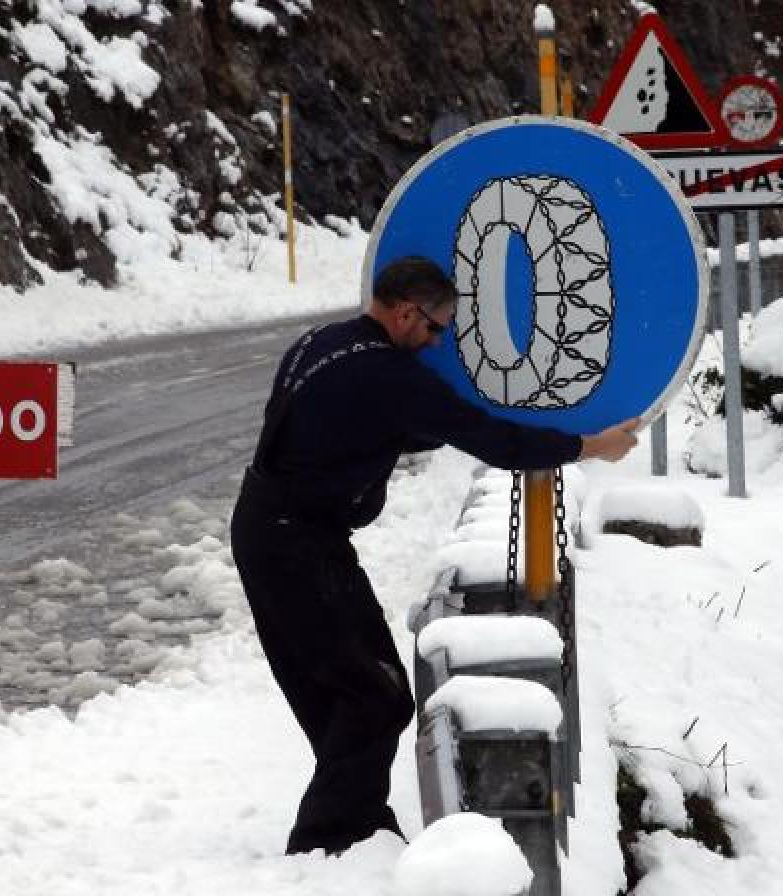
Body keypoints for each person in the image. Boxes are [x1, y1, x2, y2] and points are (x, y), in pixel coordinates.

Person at [230, 255, 638, 857]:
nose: (438, 341)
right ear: (403, 311)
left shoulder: (320, 343)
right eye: (435, 327)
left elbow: (390, 424)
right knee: (374, 695)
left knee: (340, 691)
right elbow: (491, 438)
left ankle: (356, 824)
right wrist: (586, 445)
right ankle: (325, 841)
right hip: (296, 540)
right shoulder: (389, 376)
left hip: (271, 527)